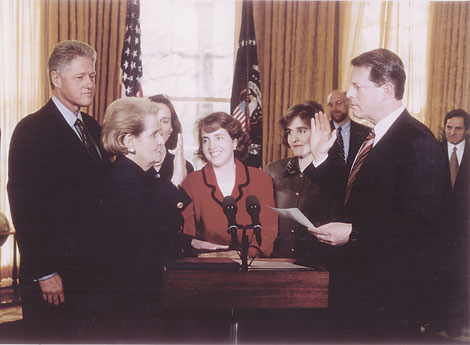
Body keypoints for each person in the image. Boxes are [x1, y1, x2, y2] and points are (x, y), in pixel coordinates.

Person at [304, 49, 449, 340]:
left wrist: (355, 232)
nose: (348, 93)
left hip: (390, 296)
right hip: (358, 287)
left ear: (386, 90)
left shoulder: (418, 141)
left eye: (358, 86)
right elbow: (355, 195)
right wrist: (318, 156)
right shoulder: (370, 135)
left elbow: (421, 224)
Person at [98, 97, 226, 340]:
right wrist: (175, 182)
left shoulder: (139, 176)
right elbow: (142, 240)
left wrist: (189, 242)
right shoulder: (121, 180)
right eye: (154, 134)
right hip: (132, 308)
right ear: (129, 141)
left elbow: (151, 227)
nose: (161, 141)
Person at [7, 40, 109, 340]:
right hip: (52, 278)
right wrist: (45, 271)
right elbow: (25, 208)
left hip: (90, 275)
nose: (90, 84)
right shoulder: (31, 130)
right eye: (81, 77)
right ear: (55, 78)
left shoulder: (93, 128)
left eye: (92, 76)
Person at [182, 112, 277, 257]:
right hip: (206, 264)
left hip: (251, 265)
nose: (211, 146)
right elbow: (187, 234)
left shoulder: (261, 179)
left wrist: (247, 256)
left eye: (219, 138)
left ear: (235, 142)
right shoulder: (192, 182)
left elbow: (268, 230)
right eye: (205, 140)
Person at [265, 101, 342, 261]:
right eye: (289, 132)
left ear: (318, 132)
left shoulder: (334, 174)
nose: (294, 138)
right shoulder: (274, 170)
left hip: (318, 265)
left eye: (301, 131)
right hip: (276, 262)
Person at [440, 109, 470, 335]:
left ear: (467, 131)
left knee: (462, 275)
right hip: (438, 227)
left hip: (466, 229)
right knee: (440, 274)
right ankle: (438, 320)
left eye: (458, 128)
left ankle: (459, 322)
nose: (452, 132)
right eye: (449, 127)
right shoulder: (434, 151)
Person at [148, 94, 194, 186]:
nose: (158, 127)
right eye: (153, 120)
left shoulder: (185, 167)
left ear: (171, 129)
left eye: (165, 121)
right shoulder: (129, 166)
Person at [327, 90, 370, 167]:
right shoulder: (321, 132)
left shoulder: (365, 132)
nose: (334, 108)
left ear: (348, 104)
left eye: (338, 103)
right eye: (330, 105)